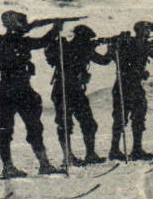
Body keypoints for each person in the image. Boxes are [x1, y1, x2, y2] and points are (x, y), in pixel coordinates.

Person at [0, 11, 68, 178]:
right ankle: (43, 164)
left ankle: (9, 166)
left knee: (6, 129)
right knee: (33, 127)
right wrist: (55, 29)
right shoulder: (18, 40)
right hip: (21, 90)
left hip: (6, 90)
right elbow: (42, 42)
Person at [44, 25, 113, 164]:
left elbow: (102, 60)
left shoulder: (71, 48)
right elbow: (104, 60)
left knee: (82, 123)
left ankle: (84, 154)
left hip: (70, 90)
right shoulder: (76, 49)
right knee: (69, 123)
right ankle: (72, 156)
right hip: (65, 90)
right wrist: (111, 50)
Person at [107, 21, 153, 160]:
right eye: (146, 30)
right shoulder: (128, 43)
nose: (148, 33)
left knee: (138, 115)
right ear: (139, 31)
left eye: (149, 31)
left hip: (133, 84)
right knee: (122, 116)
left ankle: (135, 149)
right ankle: (116, 150)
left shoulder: (142, 45)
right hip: (125, 84)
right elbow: (116, 58)